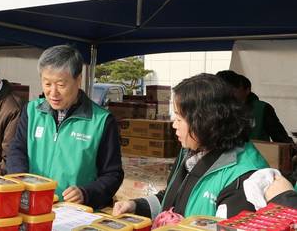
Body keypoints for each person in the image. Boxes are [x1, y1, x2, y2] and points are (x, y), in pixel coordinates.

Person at [113, 73, 269, 220]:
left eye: (180, 118)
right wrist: (135, 206)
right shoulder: (192, 152)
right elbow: (172, 198)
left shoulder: (244, 177)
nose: (174, 125)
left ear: (205, 121)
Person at [7, 45, 123, 209]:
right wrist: (20, 178)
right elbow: (17, 149)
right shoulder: (32, 111)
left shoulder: (101, 121)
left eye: (61, 85)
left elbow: (113, 174)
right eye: (47, 84)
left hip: (73, 213)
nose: (53, 93)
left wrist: (86, 193)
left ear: (78, 80)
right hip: (31, 206)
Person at [217, 70, 293, 143]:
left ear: (247, 90)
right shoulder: (213, 109)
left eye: (232, 89)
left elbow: (281, 138)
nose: (227, 94)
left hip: (255, 154)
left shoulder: (262, 109)